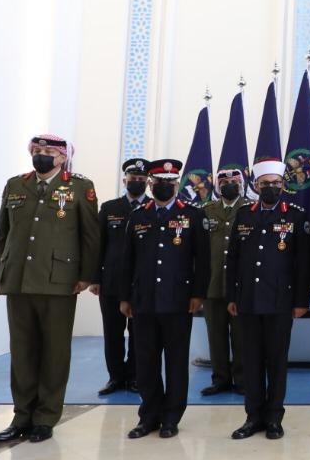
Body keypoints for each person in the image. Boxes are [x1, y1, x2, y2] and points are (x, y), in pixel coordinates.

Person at [0, 134, 100, 444]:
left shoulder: (79, 187)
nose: (41, 154)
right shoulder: (16, 185)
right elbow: (3, 233)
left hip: (59, 281)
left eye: (48, 151)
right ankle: (21, 416)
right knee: (22, 351)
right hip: (18, 279)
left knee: (54, 351)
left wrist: (87, 275)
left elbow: (90, 235)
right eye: (37, 150)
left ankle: (46, 417)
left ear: (62, 157)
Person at [122, 159, 208, 439]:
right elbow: (127, 260)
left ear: (177, 184)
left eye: (170, 182)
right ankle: (148, 416)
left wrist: (198, 294)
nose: (165, 186)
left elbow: (202, 260)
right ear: (150, 184)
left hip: (178, 301)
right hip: (144, 301)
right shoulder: (138, 215)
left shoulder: (192, 215)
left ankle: (171, 417)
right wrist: (125, 297)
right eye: (159, 182)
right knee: (145, 362)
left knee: (176, 362)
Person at [226, 159, 310, 440]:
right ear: (256, 186)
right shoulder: (244, 215)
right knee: (250, 361)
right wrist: (231, 296)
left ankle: (274, 417)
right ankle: (253, 417)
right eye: (265, 184)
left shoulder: (295, 216)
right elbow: (233, 259)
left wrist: (301, 300)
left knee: (276, 361)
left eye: (275, 183)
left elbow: (302, 263)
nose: (270, 188)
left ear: (283, 185)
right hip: (248, 300)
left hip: (280, 300)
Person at [94, 157, 148, 396]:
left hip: (141, 282)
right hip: (112, 281)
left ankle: (135, 376)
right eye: (133, 178)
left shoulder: (152, 208)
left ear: (147, 182)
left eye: (141, 179)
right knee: (112, 332)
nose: (137, 182)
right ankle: (115, 377)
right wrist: (95, 278)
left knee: (139, 333)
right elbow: (99, 245)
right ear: (124, 180)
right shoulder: (109, 208)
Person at [201, 167, 245, 396]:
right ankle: (220, 379)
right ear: (218, 186)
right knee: (216, 336)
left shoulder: (249, 209)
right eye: (224, 182)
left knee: (241, 336)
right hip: (213, 284)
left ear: (241, 184)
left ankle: (242, 380)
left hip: (240, 286)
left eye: (234, 181)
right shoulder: (206, 210)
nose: (229, 185)